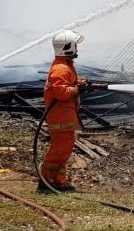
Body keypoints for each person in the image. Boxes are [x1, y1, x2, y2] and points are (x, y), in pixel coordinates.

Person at [38, 30, 92, 193]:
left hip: (64, 116)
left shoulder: (65, 65)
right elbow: (61, 93)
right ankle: (46, 182)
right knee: (59, 151)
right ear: (68, 47)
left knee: (64, 150)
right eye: (75, 45)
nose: (77, 48)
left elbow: (69, 83)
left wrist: (82, 83)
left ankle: (59, 180)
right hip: (60, 117)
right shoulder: (61, 68)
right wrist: (77, 89)